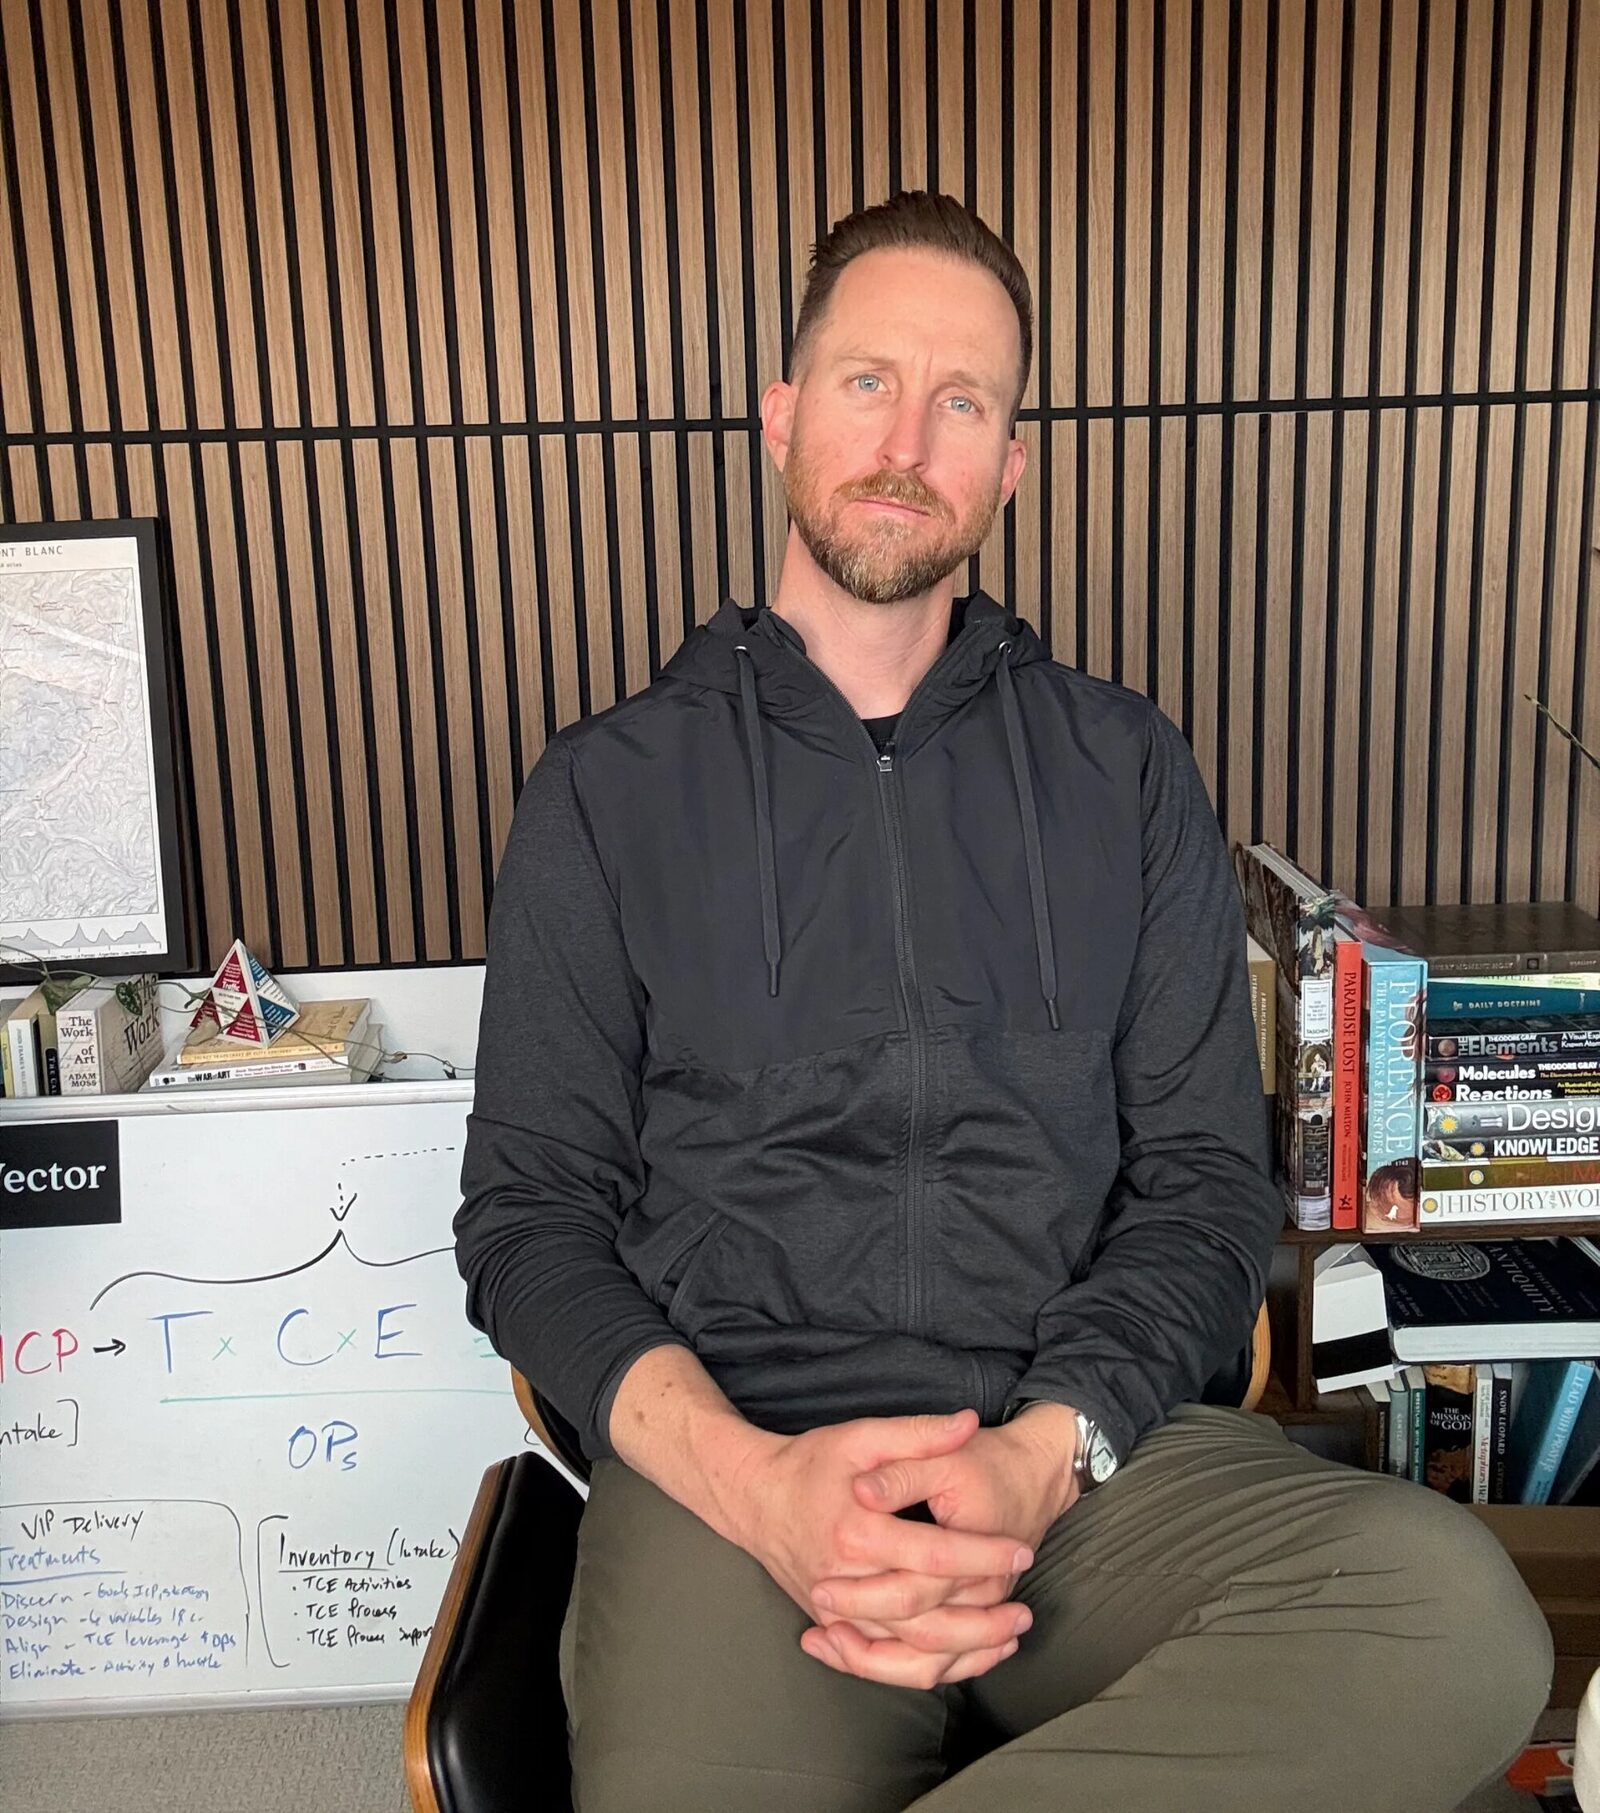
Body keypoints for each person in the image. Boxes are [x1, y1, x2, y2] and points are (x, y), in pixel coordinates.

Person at [454, 191, 1551, 1811]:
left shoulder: (1123, 771)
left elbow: (1199, 1189)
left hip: (1082, 1461)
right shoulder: (605, 792)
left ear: (1012, 461)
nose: (908, 438)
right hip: (735, 1481)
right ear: (779, 416)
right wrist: (756, 1486)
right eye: (866, 382)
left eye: (963, 400)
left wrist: (1039, 1453)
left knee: (1455, 1621)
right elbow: (527, 1222)